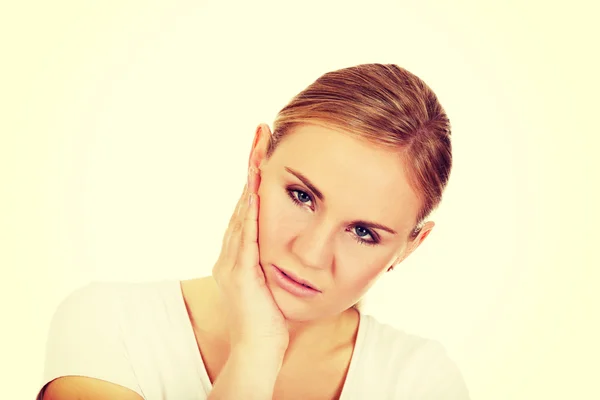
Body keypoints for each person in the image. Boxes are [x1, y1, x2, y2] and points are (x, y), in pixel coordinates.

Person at [37, 63, 470, 399]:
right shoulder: (112, 327)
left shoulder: (419, 383)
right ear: (257, 160)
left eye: (362, 232)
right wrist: (255, 354)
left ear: (409, 248)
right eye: (302, 196)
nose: (311, 253)